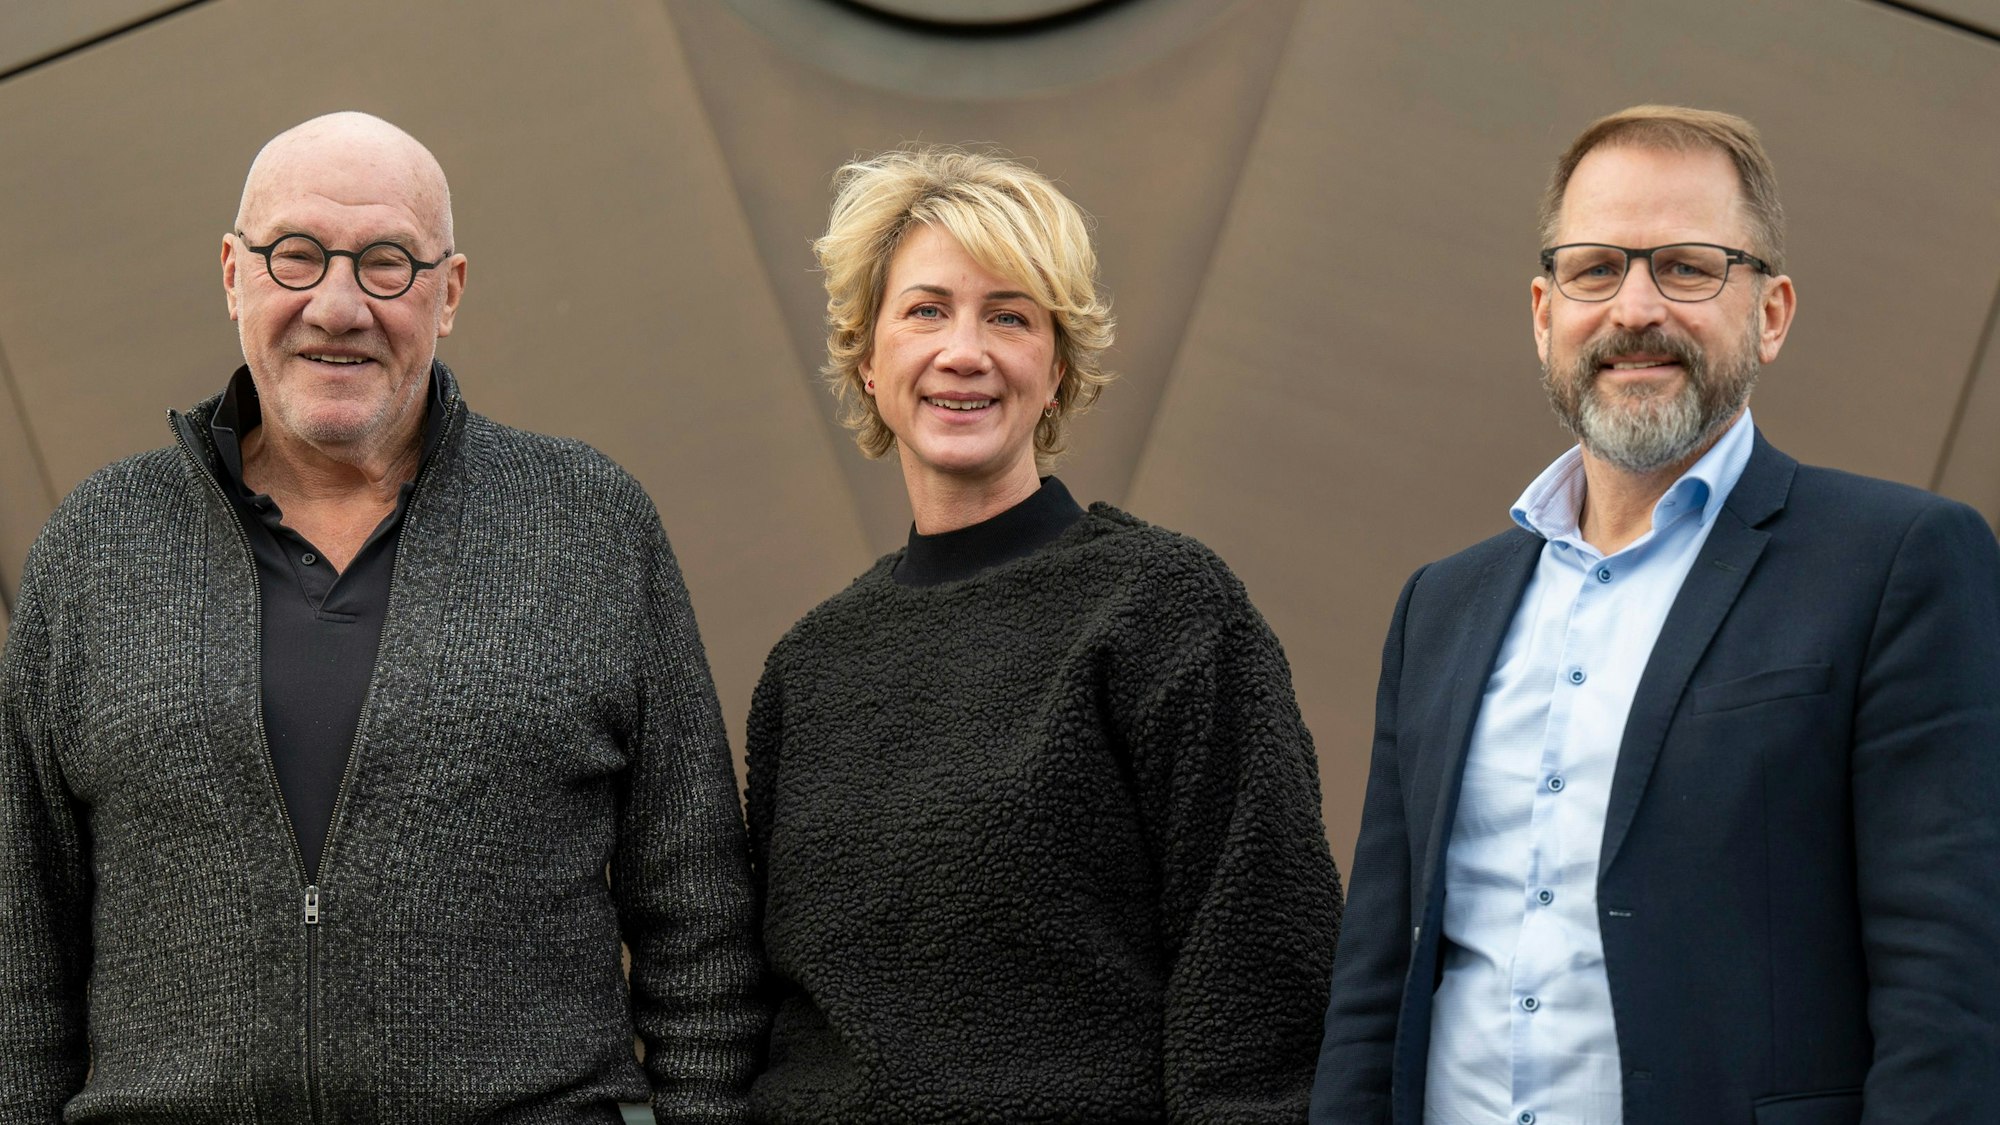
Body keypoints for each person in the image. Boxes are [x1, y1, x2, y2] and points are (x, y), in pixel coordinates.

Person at [0, 112, 763, 1123]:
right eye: (296, 256)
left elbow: (698, 922)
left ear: (447, 293)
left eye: (387, 264)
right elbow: (20, 946)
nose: (337, 305)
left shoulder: (588, 524)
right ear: (233, 273)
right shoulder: (97, 545)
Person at [1310, 105, 2000, 1124]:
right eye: (1594, 269)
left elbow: (1946, 987)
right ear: (1543, 313)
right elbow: (1373, 985)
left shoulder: (1899, 561)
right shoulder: (1441, 608)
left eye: (1685, 266)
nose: (1634, 307)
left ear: (1769, 312)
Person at [743, 146, 1343, 1122]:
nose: (963, 350)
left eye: (1009, 315)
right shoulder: (807, 669)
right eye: (926, 309)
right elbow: (781, 1009)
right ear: (866, 354)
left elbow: (1262, 964)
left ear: (1057, 365)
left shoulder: (1165, 609)